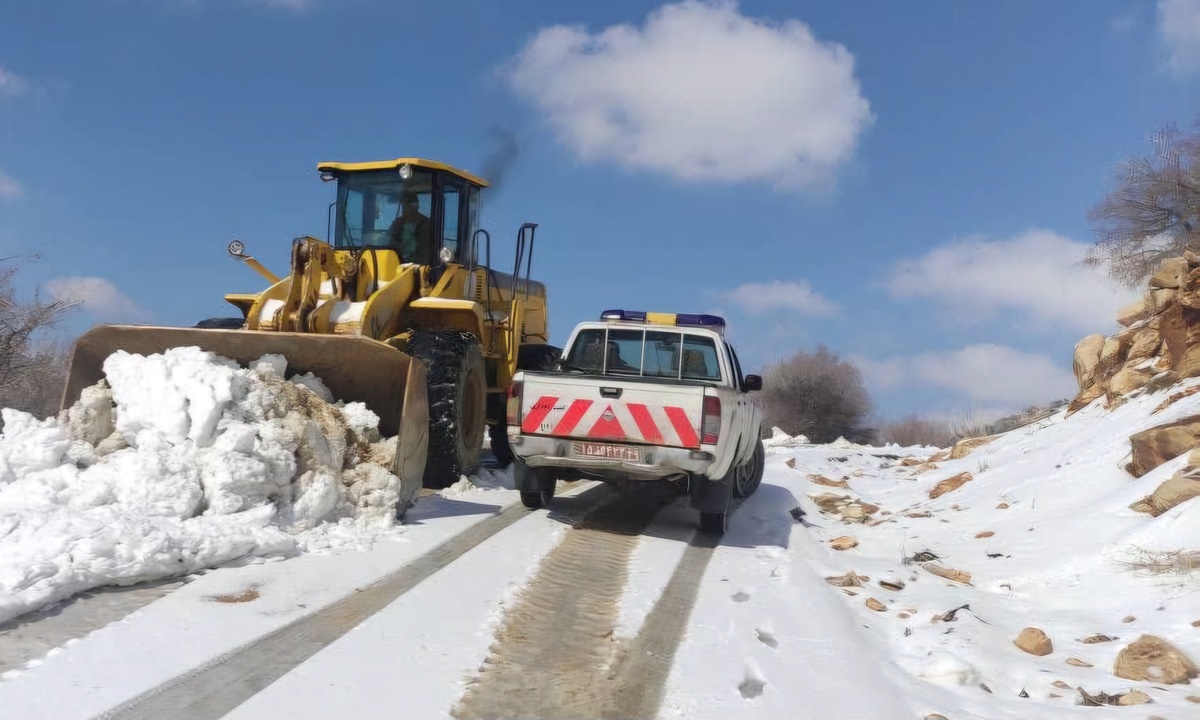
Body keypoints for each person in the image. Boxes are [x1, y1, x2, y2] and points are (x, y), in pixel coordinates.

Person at [388, 191, 433, 264]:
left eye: (408, 207)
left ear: (416, 207)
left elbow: (429, 249)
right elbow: (388, 240)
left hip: (420, 267)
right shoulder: (398, 223)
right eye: (404, 206)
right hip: (398, 263)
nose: (405, 210)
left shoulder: (427, 224)